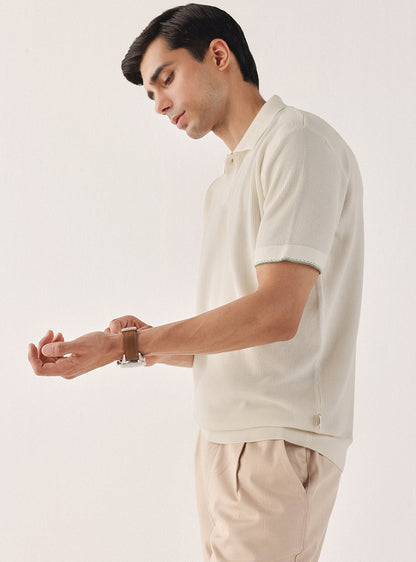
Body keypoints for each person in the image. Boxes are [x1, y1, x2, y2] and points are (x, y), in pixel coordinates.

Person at [28, 3, 364, 561]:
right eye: (150, 94)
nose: (160, 103)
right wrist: (129, 348)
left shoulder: (297, 142)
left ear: (218, 55)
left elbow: (278, 314)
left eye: (166, 79)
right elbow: (243, 337)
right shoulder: (228, 182)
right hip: (223, 440)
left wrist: (130, 343)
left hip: (276, 441)